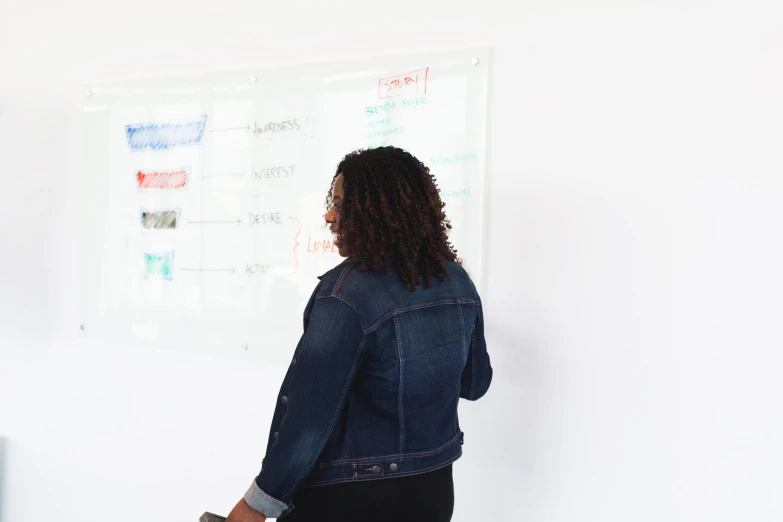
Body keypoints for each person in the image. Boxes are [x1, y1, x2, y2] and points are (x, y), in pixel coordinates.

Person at [226, 146, 492, 522]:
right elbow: (475, 384)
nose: (329, 215)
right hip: (432, 493)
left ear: (377, 212)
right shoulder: (457, 281)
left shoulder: (345, 295)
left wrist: (258, 504)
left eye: (340, 204)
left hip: (349, 498)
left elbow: (308, 420)